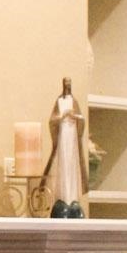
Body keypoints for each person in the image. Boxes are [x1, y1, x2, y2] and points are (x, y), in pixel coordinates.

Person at [43, 77, 87, 218]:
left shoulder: (74, 101)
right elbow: (52, 120)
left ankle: (73, 198)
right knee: (62, 165)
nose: (67, 85)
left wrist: (73, 116)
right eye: (66, 83)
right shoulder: (59, 101)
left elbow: (81, 118)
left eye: (69, 84)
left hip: (72, 136)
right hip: (63, 136)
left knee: (72, 165)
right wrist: (62, 116)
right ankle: (62, 197)